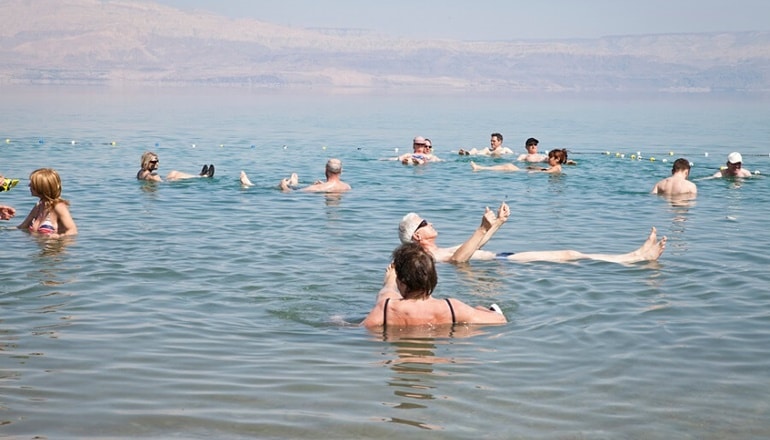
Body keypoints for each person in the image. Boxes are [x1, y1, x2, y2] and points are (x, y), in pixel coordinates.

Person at [398, 203, 667, 264]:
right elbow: (460, 260)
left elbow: (475, 245)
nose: (430, 222)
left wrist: (499, 222)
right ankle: (634, 258)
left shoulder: (439, 250)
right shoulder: (430, 260)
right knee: (570, 254)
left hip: (501, 258)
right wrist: (481, 227)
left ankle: (635, 255)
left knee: (570, 254)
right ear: (417, 237)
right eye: (424, 223)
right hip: (504, 262)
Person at [361, 242, 507, 328]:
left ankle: (389, 282)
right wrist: (481, 310)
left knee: (386, 294)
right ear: (433, 277)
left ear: (402, 282)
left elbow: (361, 330)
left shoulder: (387, 309)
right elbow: (501, 320)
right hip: (443, 335)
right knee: (477, 311)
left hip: (398, 349)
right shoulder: (452, 307)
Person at [17, 168, 77, 238]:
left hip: (54, 247)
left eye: (32, 183)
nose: (29, 185)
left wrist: (59, 237)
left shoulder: (58, 206)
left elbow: (73, 231)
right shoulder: (38, 206)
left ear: (42, 186)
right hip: (39, 248)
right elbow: (22, 227)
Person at [253, 158, 350, 192]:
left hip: (309, 190)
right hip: (324, 187)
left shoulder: (317, 188)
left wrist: (283, 187)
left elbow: (292, 194)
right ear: (341, 171)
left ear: (326, 170)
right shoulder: (347, 187)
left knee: (288, 188)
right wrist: (323, 184)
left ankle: (250, 185)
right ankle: (294, 184)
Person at [136, 151, 215, 182]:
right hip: (164, 184)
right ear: (146, 162)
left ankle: (200, 175)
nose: (157, 163)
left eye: (157, 161)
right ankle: (202, 176)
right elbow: (159, 182)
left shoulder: (141, 172)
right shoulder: (152, 175)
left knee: (172, 173)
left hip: (159, 182)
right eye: (154, 161)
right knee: (174, 174)